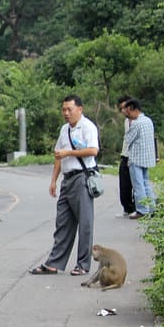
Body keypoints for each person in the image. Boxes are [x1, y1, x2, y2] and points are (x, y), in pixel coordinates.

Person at [29, 94, 99, 276]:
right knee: (63, 222)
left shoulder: (87, 127)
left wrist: (70, 152)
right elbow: (58, 156)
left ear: (80, 109)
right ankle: (54, 263)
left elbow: (93, 150)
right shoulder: (64, 129)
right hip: (67, 179)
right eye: (64, 109)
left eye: (70, 109)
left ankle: (83, 264)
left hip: (82, 177)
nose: (66, 113)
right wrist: (53, 180)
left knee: (85, 223)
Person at [122, 98, 157, 219]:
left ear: (133, 109)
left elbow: (128, 139)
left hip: (136, 158)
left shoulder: (136, 123)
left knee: (138, 185)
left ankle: (142, 210)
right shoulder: (148, 121)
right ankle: (152, 207)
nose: (126, 114)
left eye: (127, 111)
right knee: (146, 183)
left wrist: (130, 125)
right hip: (147, 158)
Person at [117, 96, 136, 217]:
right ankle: (127, 208)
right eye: (121, 108)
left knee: (135, 183)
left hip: (133, 157)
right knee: (124, 184)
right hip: (125, 155)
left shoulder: (136, 121)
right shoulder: (126, 121)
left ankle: (134, 208)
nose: (124, 110)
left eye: (125, 107)